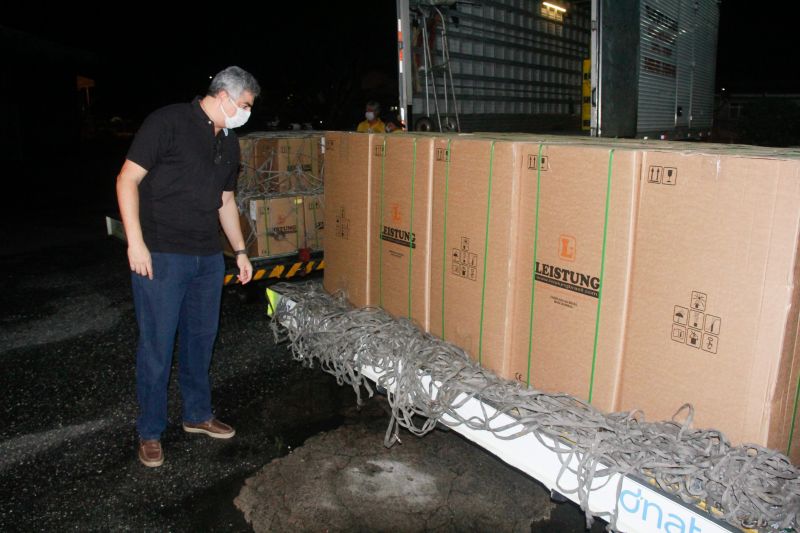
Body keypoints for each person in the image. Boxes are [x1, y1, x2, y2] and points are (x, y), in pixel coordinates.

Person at [116, 65, 260, 468]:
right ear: (226, 96)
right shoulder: (168, 122)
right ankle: (150, 431)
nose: (246, 113)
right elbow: (127, 180)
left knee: (200, 340)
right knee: (157, 347)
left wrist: (241, 251)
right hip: (161, 254)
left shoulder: (228, 142)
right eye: (245, 105)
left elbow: (226, 201)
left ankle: (197, 415)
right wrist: (136, 244)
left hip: (207, 258)